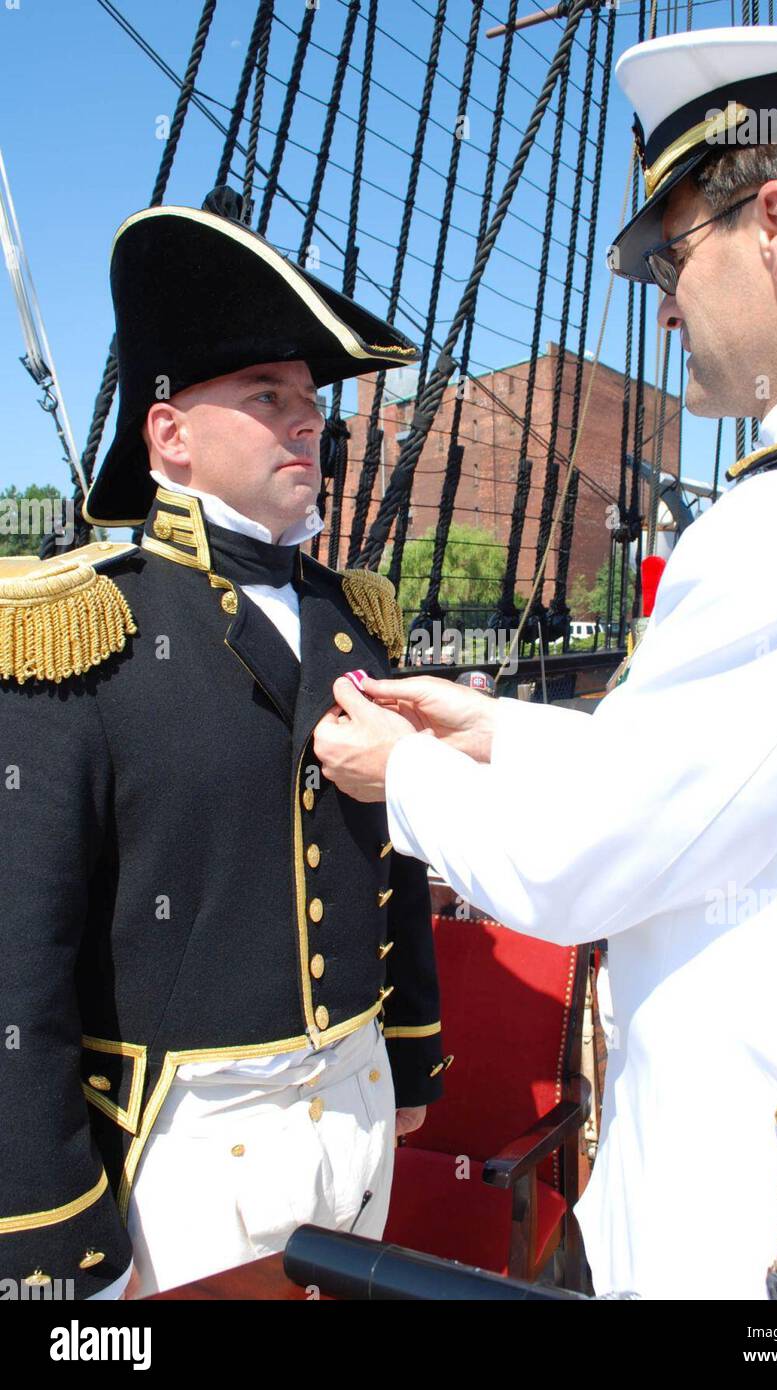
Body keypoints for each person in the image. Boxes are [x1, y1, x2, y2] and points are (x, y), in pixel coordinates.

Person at [313, 26, 777, 1300]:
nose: (656, 296)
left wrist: (402, 776)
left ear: (775, 224)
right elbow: (751, 775)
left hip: (763, 1250)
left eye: (666, 248)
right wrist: (503, 733)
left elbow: (578, 863)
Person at [0, 189, 446, 1300]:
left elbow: (392, 861)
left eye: (310, 401)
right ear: (170, 434)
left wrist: (407, 1052)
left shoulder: (358, 617)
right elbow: (21, 962)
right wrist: (48, 1231)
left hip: (357, 1120)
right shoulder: (78, 629)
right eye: (267, 395)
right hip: (181, 1159)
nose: (310, 422)